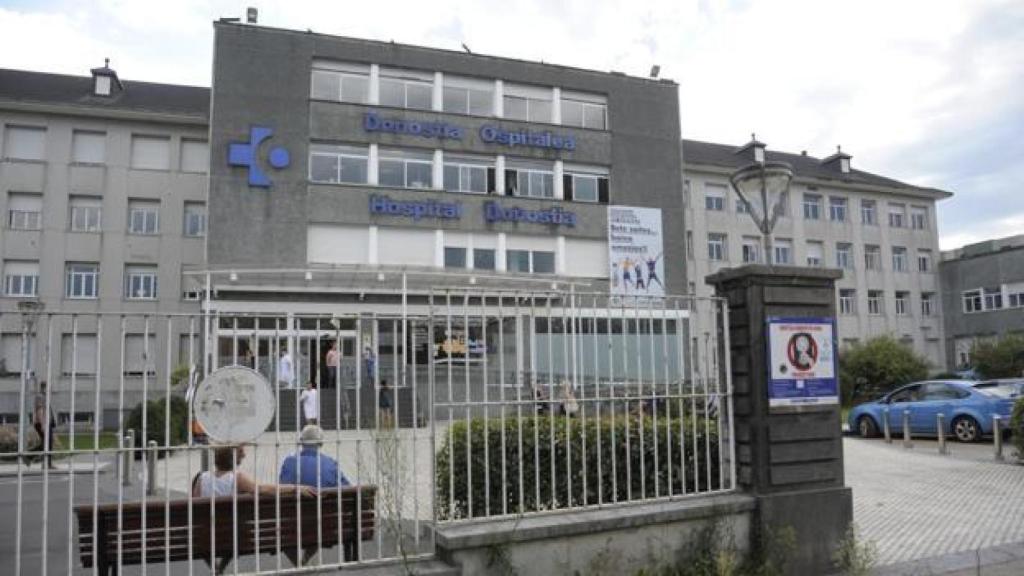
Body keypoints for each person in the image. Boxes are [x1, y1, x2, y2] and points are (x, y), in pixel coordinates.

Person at [192, 445, 314, 499]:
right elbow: (263, 489)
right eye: (241, 453)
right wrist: (294, 488)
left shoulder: (200, 478)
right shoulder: (236, 478)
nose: (244, 455)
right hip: (231, 533)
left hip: (204, 532)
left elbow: (195, 505)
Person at [279, 425, 351, 488]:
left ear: (301, 441)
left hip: (293, 503)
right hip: (326, 503)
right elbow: (347, 488)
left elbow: (281, 488)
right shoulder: (331, 464)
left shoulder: (289, 462)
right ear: (321, 443)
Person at [32, 380, 57, 469]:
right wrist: (43, 424)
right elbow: (40, 410)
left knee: (47, 443)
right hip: (42, 423)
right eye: (49, 387)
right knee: (47, 443)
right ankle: (46, 463)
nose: (50, 389)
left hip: (46, 423)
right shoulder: (40, 396)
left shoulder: (44, 396)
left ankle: (45, 463)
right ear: (44, 387)